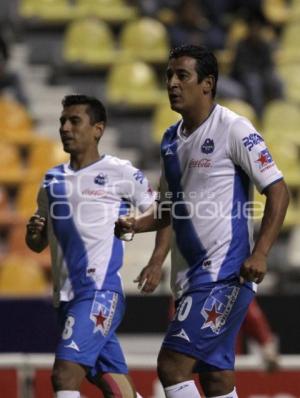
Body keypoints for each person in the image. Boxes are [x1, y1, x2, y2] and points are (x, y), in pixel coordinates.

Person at [115, 45, 289, 398]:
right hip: (188, 280)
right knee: (216, 380)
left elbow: (279, 191)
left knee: (171, 365)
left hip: (225, 272)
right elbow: (169, 210)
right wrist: (135, 224)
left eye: (183, 76)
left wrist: (261, 253)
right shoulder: (169, 141)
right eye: (168, 76)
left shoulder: (234, 128)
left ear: (207, 84)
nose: (172, 84)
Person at [25, 94, 154, 398]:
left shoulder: (121, 172)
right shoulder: (51, 180)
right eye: (62, 122)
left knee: (64, 375)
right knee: (114, 385)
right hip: (66, 297)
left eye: (74, 121)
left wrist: (157, 259)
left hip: (99, 292)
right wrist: (34, 233)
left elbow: (162, 213)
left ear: (98, 129)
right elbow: (36, 243)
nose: (65, 128)